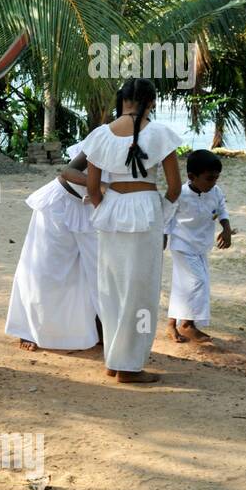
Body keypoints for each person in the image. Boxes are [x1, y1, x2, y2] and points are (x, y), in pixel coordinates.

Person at [84, 78, 183, 384]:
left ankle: (115, 360)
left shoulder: (100, 135)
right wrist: (160, 213)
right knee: (140, 289)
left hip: (113, 208)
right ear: (151, 102)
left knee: (111, 286)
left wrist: (105, 207)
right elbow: (175, 187)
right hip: (145, 208)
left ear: (122, 100)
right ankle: (128, 366)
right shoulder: (160, 134)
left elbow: (92, 188)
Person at [4, 139, 100, 351]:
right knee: (44, 269)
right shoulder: (105, 135)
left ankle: (95, 327)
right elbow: (68, 172)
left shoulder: (145, 143)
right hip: (59, 205)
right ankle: (28, 329)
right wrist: (101, 186)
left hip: (90, 209)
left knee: (93, 270)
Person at [166, 149, 231, 343]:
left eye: (216, 178)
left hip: (202, 246)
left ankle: (171, 324)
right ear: (192, 177)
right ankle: (187, 324)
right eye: (209, 179)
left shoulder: (215, 191)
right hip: (182, 245)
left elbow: (222, 209)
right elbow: (166, 215)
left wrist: (226, 228)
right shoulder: (180, 194)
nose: (213, 183)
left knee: (183, 285)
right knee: (197, 282)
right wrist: (162, 236)